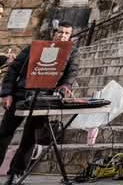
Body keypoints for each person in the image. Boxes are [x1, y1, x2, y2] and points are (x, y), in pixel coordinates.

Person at [0, 21, 80, 185]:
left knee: (29, 139)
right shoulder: (35, 47)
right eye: (60, 32)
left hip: (44, 99)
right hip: (20, 95)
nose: (62, 35)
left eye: (66, 33)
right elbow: (13, 69)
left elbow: (71, 74)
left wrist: (64, 88)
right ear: (54, 32)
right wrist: (7, 93)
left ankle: (15, 172)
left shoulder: (72, 53)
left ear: (70, 36)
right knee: (3, 135)